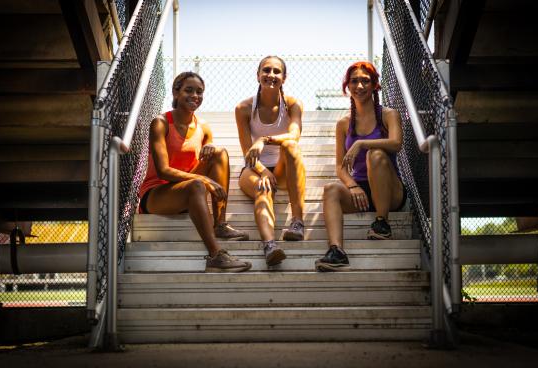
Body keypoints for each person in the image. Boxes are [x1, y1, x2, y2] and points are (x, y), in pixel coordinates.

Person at [138, 71, 251, 273]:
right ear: (176, 92)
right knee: (197, 184)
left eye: (199, 92)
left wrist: (211, 147)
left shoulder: (203, 128)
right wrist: (203, 178)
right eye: (188, 90)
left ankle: (220, 224)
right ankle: (216, 256)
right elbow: (163, 171)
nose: (195, 96)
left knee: (220, 153)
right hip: (156, 194)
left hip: (188, 190)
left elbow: (211, 163)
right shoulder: (161, 123)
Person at [315, 61, 406, 272]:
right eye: (354, 81)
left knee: (375, 155)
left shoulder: (388, 114)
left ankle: (382, 224)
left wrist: (362, 143)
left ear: (374, 85)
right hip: (363, 193)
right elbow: (340, 166)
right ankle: (337, 251)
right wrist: (352, 186)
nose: (359, 86)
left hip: (391, 192)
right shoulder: (343, 124)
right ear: (348, 86)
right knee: (331, 190)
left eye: (365, 81)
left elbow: (396, 143)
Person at [235, 55, 306, 266]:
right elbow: (248, 151)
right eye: (266, 70)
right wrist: (263, 172)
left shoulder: (293, 104)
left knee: (291, 146)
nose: (271, 75)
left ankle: (297, 222)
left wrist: (265, 140)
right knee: (261, 187)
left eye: (277, 71)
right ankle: (270, 246)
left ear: (284, 78)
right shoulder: (244, 108)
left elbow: (294, 136)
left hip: (284, 167)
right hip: (254, 167)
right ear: (258, 75)